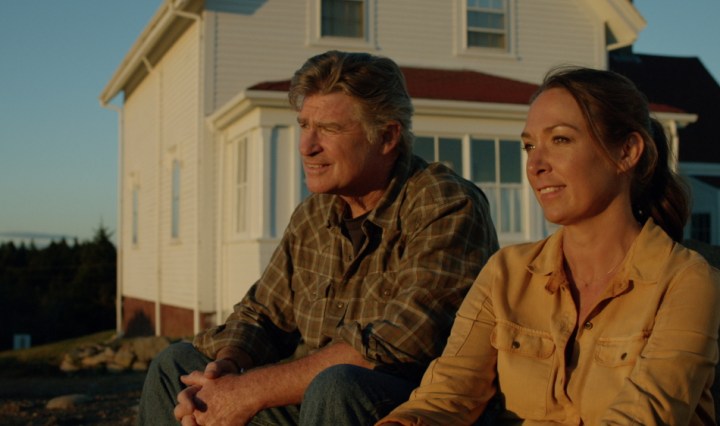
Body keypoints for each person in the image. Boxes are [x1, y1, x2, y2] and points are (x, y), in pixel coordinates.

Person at [137, 50, 498, 426]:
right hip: (319, 400)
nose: (306, 146)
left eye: (329, 129)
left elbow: (402, 341)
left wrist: (250, 391)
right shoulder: (313, 215)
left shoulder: (444, 203)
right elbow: (262, 315)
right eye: (304, 125)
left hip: (417, 404)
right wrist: (223, 371)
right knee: (175, 367)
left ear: (387, 136)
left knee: (337, 386)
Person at [378, 67, 720, 425]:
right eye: (529, 146)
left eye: (560, 140)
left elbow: (645, 416)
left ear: (627, 151)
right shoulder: (506, 272)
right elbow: (446, 395)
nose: (535, 165)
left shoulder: (686, 281)